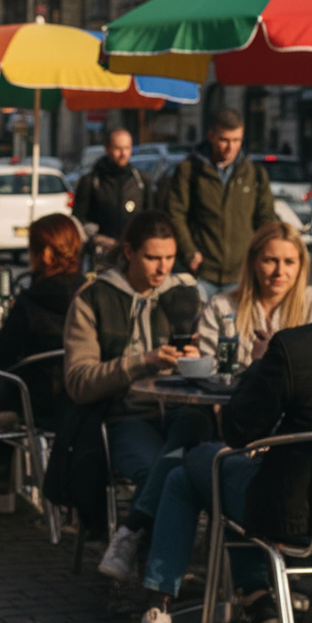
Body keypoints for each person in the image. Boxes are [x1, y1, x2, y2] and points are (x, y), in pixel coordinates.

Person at [130, 292, 312, 623]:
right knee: (206, 472)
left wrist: (259, 362)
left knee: (191, 466)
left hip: (295, 521)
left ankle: (161, 612)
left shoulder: (293, 347)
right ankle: (257, 605)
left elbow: (239, 430)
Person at [63, 211, 212, 584]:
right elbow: (79, 381)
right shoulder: (94, 297)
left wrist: (198, 360)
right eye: (152, 258)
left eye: (169, 258)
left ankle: (131, 531)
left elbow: (215, 355)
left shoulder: (186, 293)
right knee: (162, 468)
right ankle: (155, 576)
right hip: (127, 414)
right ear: (129, 252)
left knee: (195, 428)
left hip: (182, 409)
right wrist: (141, 363)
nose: (162, 269)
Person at [0, 213, 85, 421]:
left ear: (44, 254)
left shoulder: (31, 301)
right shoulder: (90, 294)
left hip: (33, 403)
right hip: (81, 399)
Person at [166, 108, 277, 300]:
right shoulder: (189, 170)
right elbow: (175, 213)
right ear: (211, 136)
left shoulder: (255, 174)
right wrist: (189, 251)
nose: (231, 147)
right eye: (224, 140)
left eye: (237, 141)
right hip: (201, 273)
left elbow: (266, 219)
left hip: (241, 274)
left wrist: (262, 257)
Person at [198, 221, 312, 369]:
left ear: (301, 265)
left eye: (289, 262)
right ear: (253, 262)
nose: (279, 271)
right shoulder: (221, 307)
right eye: (270, 260)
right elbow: (208, 368)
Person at [73, 129, 152, 256]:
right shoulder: (92, 181)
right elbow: (78, 219)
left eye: (127, 148)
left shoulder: (141, 180)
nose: (123, 154)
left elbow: (150, 216)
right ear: (107, 149)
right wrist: (96, 238)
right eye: (118, 149)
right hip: (101, 252)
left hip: (133, 251)